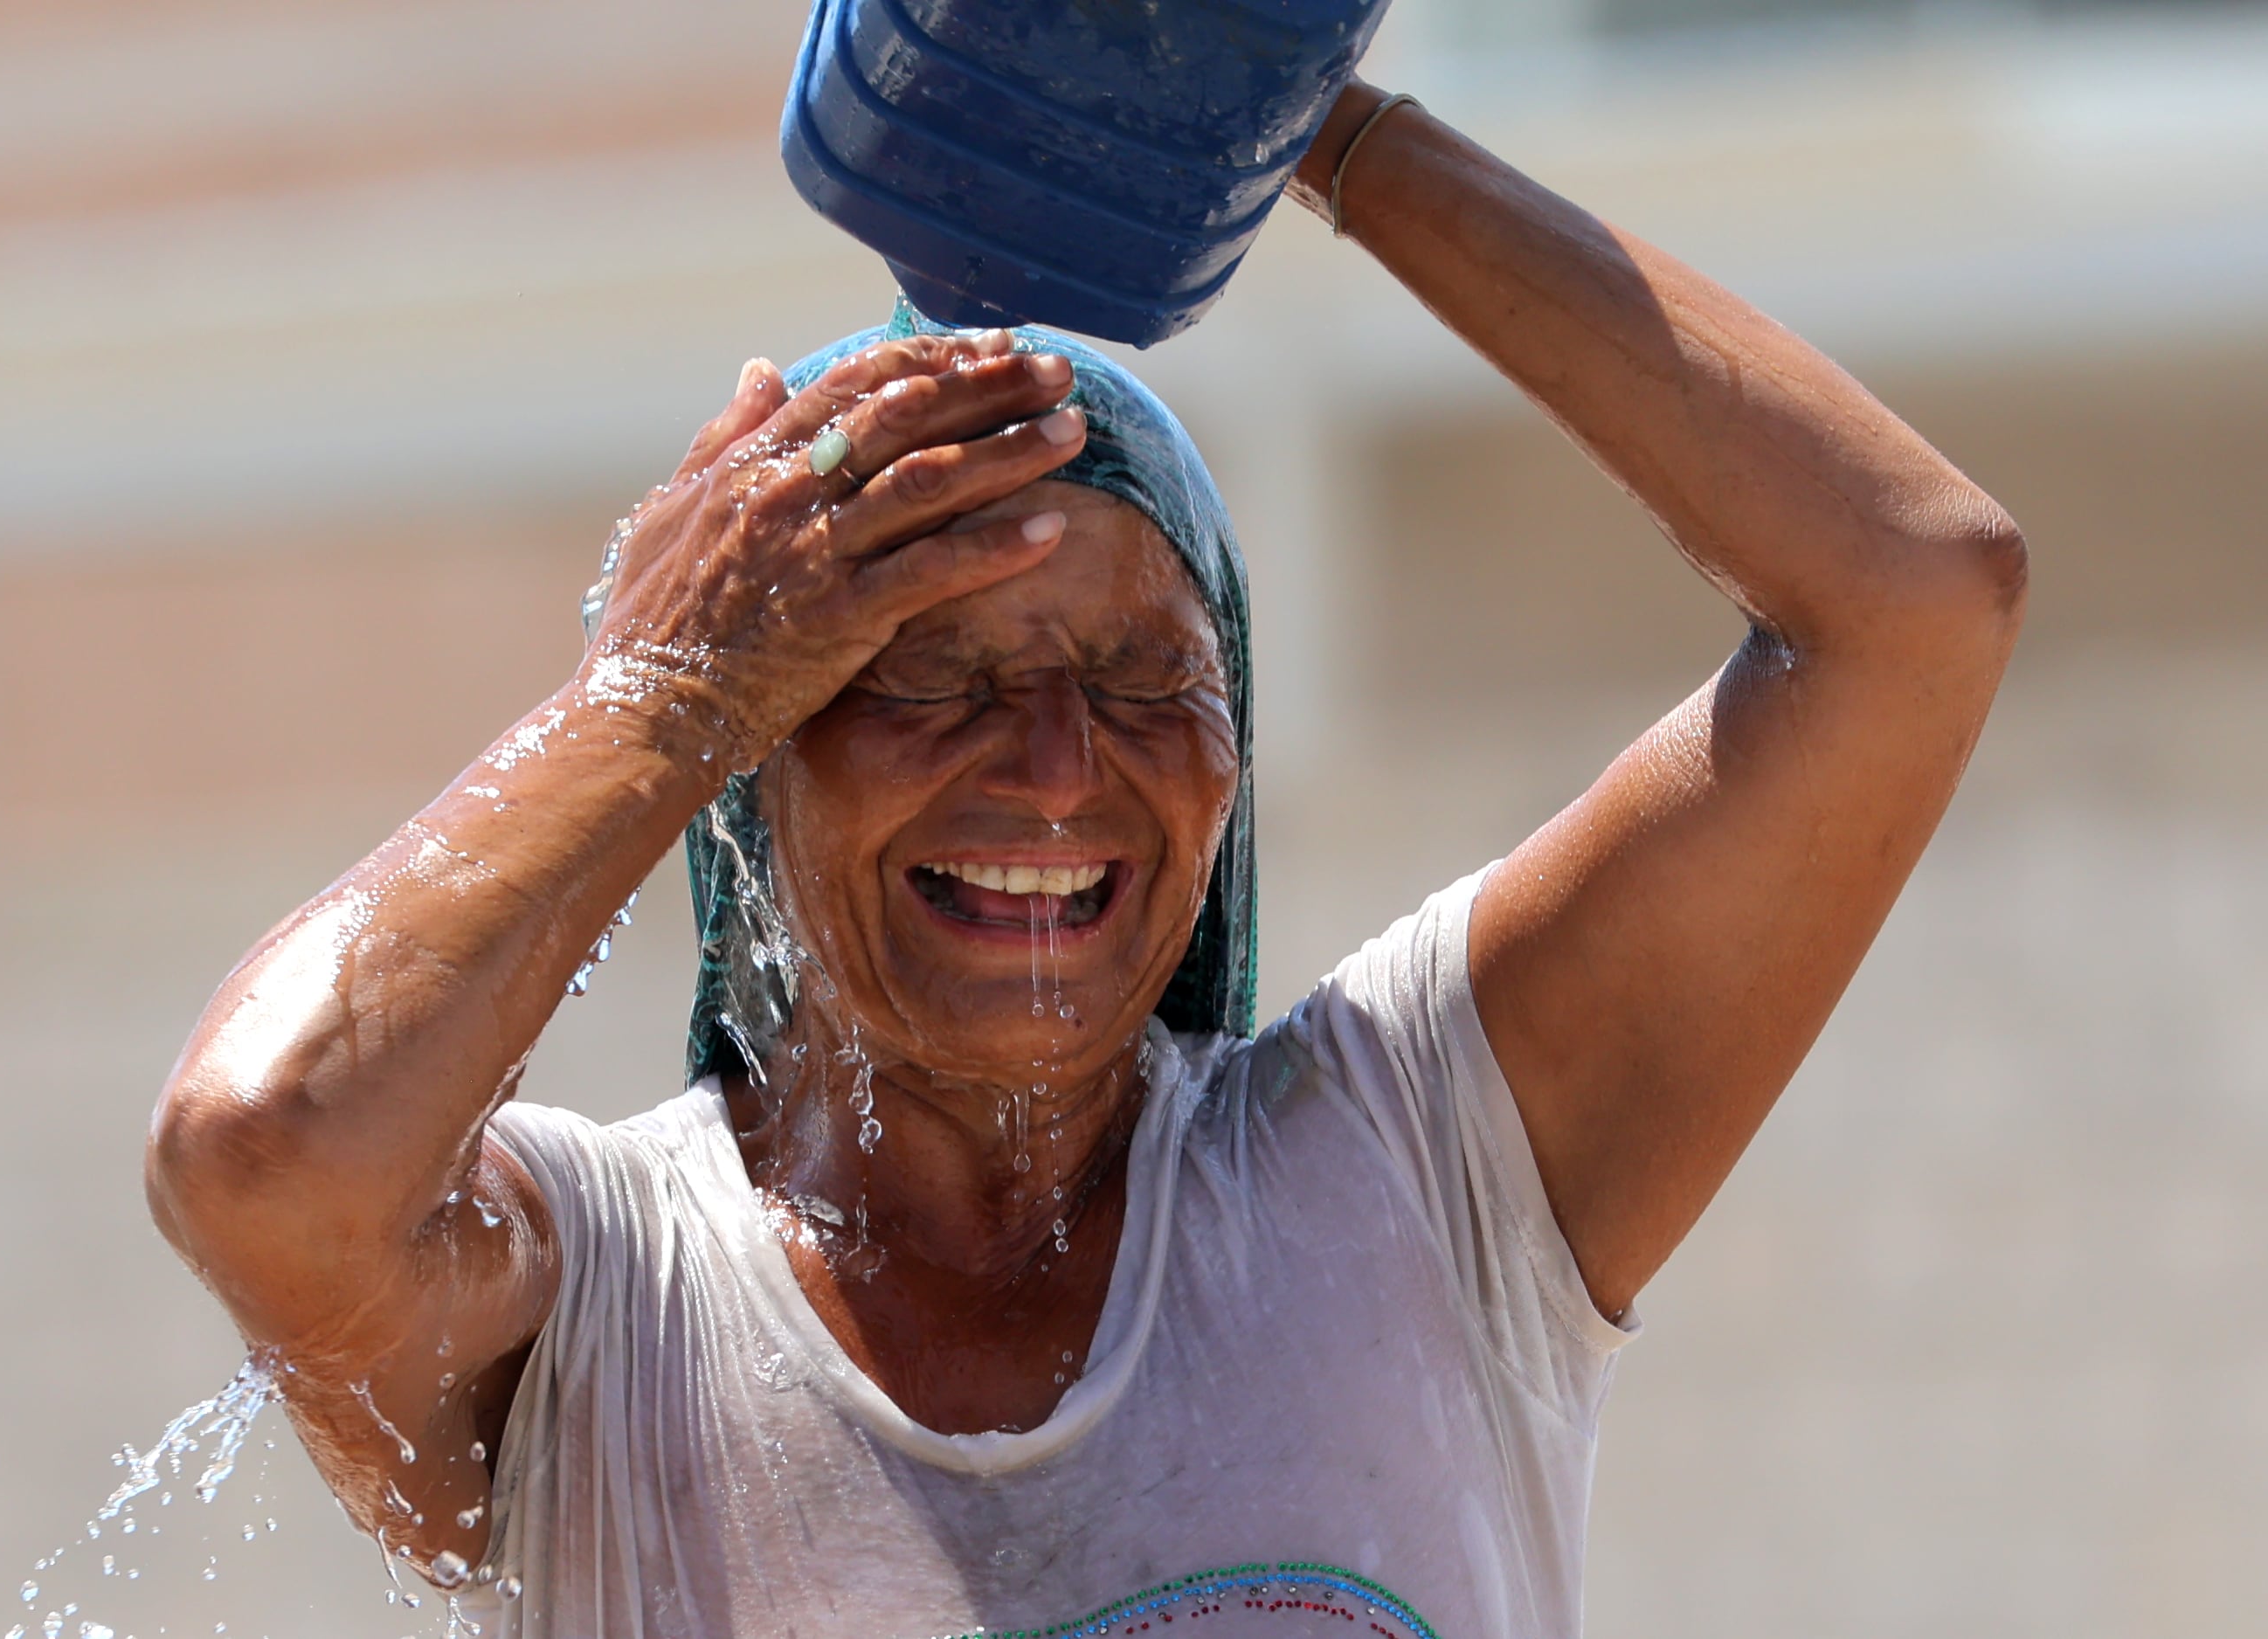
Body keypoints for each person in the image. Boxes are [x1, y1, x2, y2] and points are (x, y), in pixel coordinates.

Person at [145, 80, 2025, 1639]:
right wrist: (654, 691)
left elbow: (1915, 597)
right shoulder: (593, 1303)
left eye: (1143, 682)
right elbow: (260, 1153)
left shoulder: (1424, 1168)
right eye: (930, 680)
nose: (1056, 770)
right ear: (749, 771)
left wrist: (1310, 125)